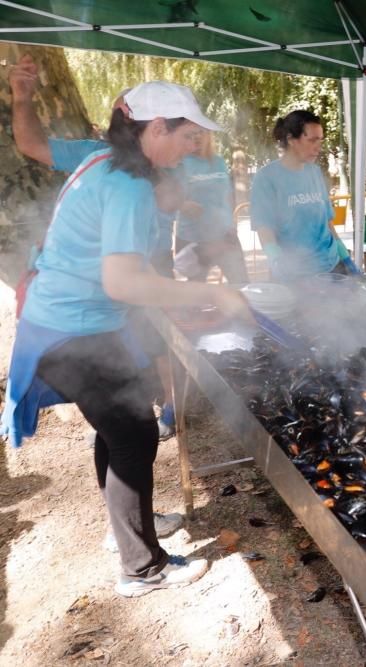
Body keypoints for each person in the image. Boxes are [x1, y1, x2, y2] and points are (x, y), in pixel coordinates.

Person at [1, 81, 254, 595]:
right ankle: (142, 570)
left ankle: (126, 533)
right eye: (186, 137)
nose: (191, 148)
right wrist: (211, 297)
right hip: (70, 327)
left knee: (123, 424)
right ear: (155, 128)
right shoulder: (128, 186)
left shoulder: (107, 159)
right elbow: (123, 281)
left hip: (81, 320)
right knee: (133, 430)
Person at [9, 53, 180, 442]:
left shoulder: (167, 159)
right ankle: (126, 425)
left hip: (147, 276)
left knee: (159, 349)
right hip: (102, 299)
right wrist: (22, 98)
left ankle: (168, 404)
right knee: (127, 422)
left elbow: (171, 203)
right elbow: (31, 143)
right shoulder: (96, 155)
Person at [251, 109, 357, 281]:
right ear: (291, 139)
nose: (318, 146)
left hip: (332, 265)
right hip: (295, 273)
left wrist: (345, 256)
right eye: (312, 140)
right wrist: (276, 261)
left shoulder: (314, 172)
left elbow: (327, 222)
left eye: (320, 140)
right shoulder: (267, 177)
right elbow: (264, 229)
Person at [173, 132, 249, 284]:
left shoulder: (219, 162)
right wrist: (182, 205)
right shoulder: (179, 164)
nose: (197, 136)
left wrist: (232, 224)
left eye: (201, 132)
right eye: (193, 132)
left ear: (209, 135)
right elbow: (168, 196)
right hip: (193, 238)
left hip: (225, 235)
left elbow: (227, 195)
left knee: (242, 285)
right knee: (196, 294)